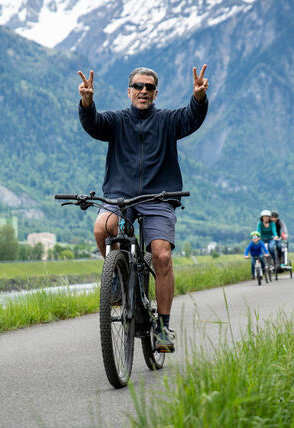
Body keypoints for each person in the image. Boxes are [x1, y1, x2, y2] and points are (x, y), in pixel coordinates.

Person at [77, 64, 209, 353]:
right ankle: (117, 279)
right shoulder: (116, 120)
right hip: (120, 196)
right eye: (138, 86)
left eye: (149, 87)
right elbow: (94, 125)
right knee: (102, 227)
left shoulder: (167, 120)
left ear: (156, 93)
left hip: (159, 198)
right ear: (129, 91)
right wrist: (87, 102)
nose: (144, 91)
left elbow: (191, 118)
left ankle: (162, 327)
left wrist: (198, 98)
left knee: (161, 255)